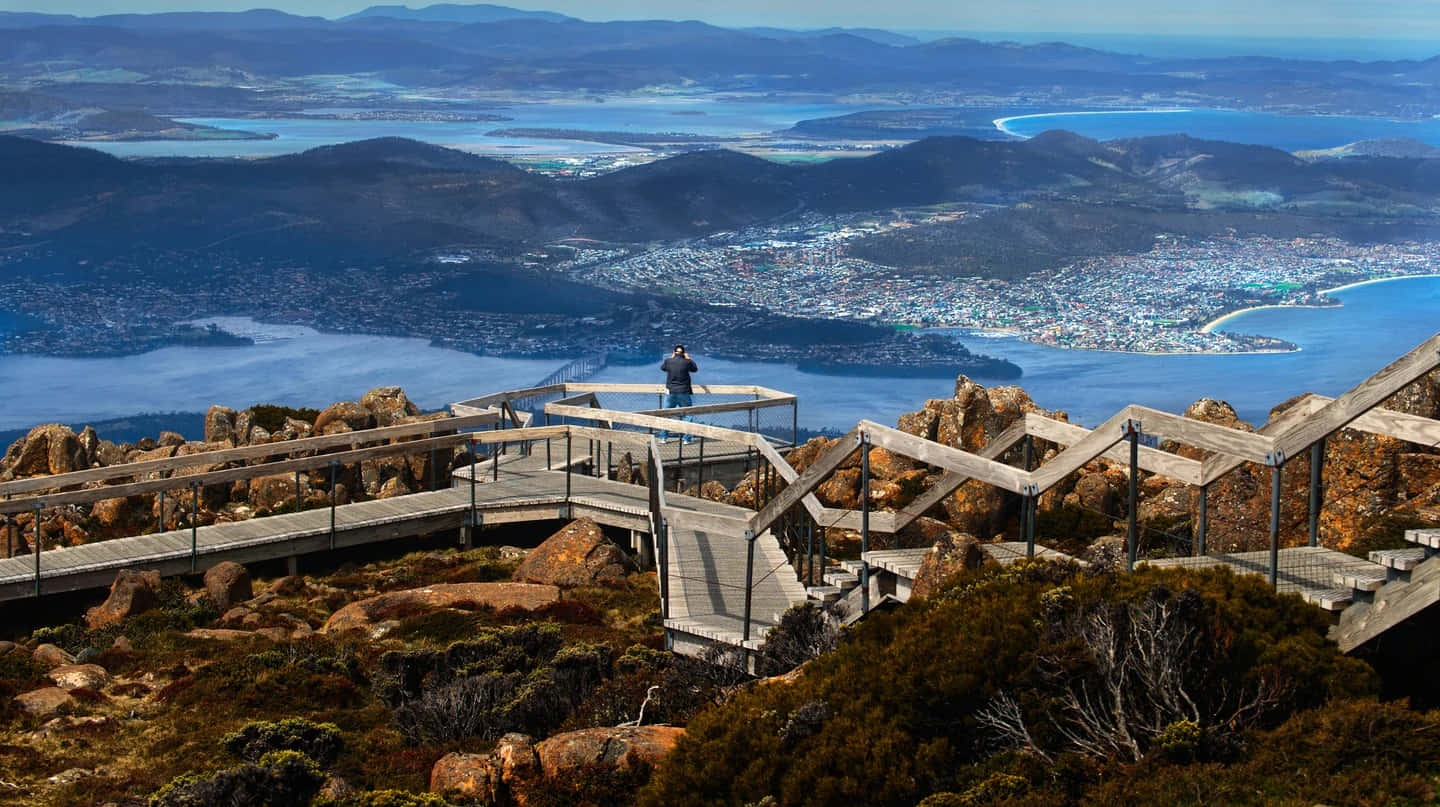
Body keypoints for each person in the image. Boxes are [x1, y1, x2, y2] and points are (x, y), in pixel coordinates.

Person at [659, 344, 698, 443]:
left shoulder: (668, 361)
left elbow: (663, 368)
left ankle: (663, 437)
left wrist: (671, 357)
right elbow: (695, 369)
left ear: (674, 352)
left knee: (666, 414)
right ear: (684, 353)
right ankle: (687, 439)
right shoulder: (687, 362)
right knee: (687, 415)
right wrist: (689, 358)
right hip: (684, 392)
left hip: (671, 392)